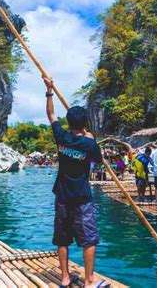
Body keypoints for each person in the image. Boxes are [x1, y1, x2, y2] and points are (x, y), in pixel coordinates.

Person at [42, 75, 109, 288]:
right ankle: (89, 282)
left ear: (69, 122)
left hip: (62, 196)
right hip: (81, 199)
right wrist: (90, 137)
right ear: (85, 124)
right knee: (89, 239)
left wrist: (50, 90)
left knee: (63, 239)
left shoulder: (61, 137)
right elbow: (99, 161)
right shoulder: (89, 144)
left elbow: (51, 114)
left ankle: (64, 278)